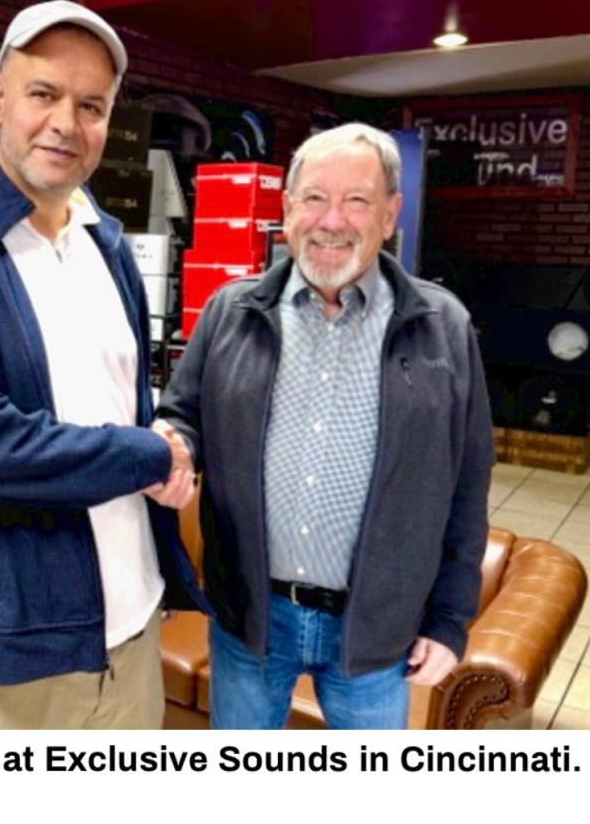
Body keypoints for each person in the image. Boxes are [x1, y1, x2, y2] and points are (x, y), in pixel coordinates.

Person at [0, 0, 205, 729]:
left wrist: (167, 444)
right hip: (17, 660)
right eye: (44, 93)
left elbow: (123, 403)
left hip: (133, 624)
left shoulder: (110, 246)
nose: (67, 121)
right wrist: (144, 453)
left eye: (92, 105)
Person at [155, 122, 495, 729]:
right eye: (314, 197)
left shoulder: (442, 325)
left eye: (357, 200)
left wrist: (449, 619)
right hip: (251, 619)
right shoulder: (229, 312)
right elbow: (184, 417)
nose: (331, 220)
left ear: (390, 215)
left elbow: (467, 481)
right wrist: (171, 446)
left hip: (375, 629)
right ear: (288, 210)